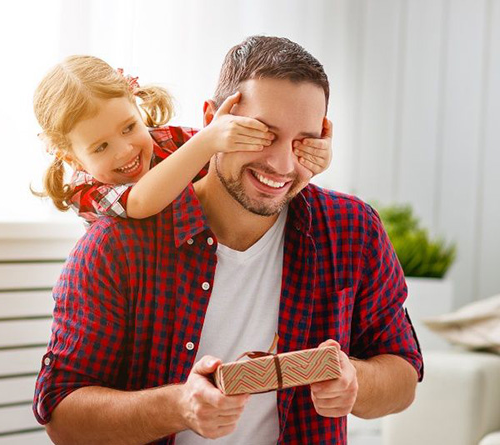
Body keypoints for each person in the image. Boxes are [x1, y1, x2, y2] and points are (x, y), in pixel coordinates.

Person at [33, 36, 423, 445]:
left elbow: (404, 376)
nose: (282, 164)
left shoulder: (351, 229)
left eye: (303, 141)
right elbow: (63, 417)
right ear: (213, 120)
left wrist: (354, 379)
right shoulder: (114, 247)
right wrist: (179, 406)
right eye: (262, 134)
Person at [33, 55, 332, 224]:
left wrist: (306, 155)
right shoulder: (85, 189)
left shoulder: (167, 141)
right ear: (72, 158)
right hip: (141, 278)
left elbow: (232, 161)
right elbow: (139, 202)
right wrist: (206, 141)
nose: (125, 149)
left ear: (137, 106)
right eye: (100, 147)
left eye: (128, 127)